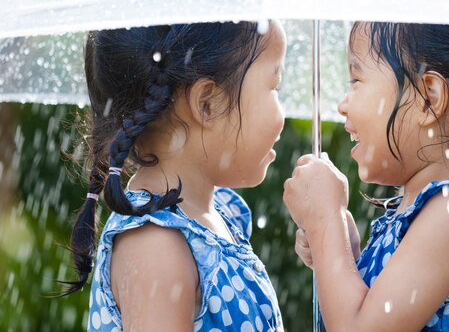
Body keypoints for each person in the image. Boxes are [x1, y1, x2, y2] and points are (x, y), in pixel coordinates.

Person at [283, 22, 449, 331]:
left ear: (428, 99)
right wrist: (343, 254)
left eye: (356, 80)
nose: (342, 105)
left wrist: (326, 223)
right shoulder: (436, 212)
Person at [65, 21, 286, 332]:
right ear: (207, 103)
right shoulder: (155, 245)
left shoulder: (220, 214)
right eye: (274, 87)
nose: (282, 111)